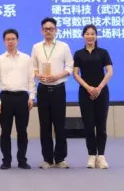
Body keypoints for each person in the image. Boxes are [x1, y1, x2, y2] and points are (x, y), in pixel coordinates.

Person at [31, 17, 73, 169]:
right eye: (45, 29)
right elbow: (32, 68)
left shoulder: (64, 46)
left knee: (60, 124)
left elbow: (70, 66)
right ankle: (47, 159)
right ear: (41, 31)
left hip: (58, 89)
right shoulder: (36, 47)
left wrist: (57, 76)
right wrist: (38, 75)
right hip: (43, 89)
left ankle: (60, 158)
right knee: (45, 125)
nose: (48, 31)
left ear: (56, 30)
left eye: (51, 28)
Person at [0, 29, 35, 170]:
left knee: (22, 131)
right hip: (6, 97)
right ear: (4, 41)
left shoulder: (26, 58)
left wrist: (32, 97)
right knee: (5, 131)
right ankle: (6, 160)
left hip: (23, 97)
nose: (10, 41)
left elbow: (31, 79)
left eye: (13, 39)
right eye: (8, 39)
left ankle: (22, 160)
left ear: (18, 40)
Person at [72, 24, 113, 169]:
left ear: (96, 36)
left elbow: (109, 71)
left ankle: (101, 156)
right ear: (83, 36)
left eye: (92, 34)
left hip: (102, 92)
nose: (90, 36)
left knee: (101, 125)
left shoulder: (103, 52)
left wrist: (99, 87)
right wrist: (88, 88)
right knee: (89, 125)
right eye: (87, 34)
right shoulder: (78, 54)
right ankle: (91, 155)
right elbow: (75, 74)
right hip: (85, 93)